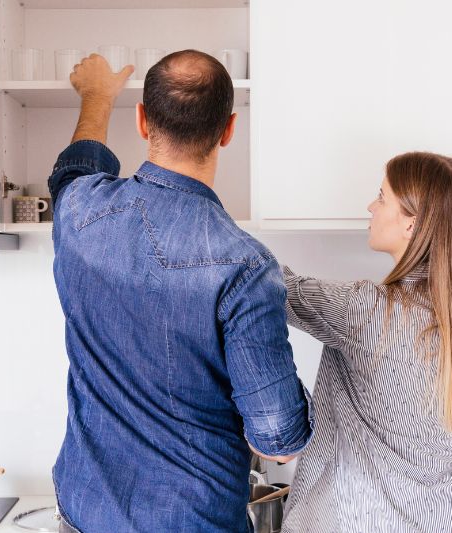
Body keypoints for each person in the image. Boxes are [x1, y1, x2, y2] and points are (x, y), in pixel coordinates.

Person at [46, 51, 314, 533]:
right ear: (229, 130)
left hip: (84, 516)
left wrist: (97, 96)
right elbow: (278, 439)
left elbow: (72, 170)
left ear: (143, 121)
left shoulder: (79, 214)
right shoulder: (246, 266)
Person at [280, 152, 452, 532]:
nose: (370, 206)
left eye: (381, 196)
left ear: (413, 224)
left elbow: (269, 286)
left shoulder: (365, 312)